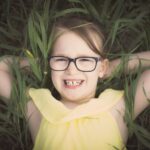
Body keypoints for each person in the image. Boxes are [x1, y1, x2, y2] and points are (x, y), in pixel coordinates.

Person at [0, 15, 150, 150]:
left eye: (85, 59)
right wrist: (40, 66)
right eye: (61, 59)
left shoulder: (119, 107)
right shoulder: (37, 108)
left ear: (102, 67)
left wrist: (112, 68)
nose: (72, 70)